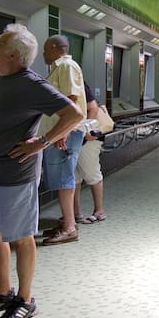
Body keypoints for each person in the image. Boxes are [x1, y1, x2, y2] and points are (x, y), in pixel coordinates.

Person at [0, 24, 82, 318]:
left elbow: (74, 114)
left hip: (14, 176)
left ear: (12, 54)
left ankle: (26, 300)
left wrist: (41, 141)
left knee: (20, 237)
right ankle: (3, 291)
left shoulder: (31, 83)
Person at [38, 35, 87, 246]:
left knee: (65, 176)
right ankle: (67, 222)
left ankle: (69, 227)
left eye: (44, 50)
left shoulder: (67, 66)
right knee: (61, 178)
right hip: (61, 131)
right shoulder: (58, 68)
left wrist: (62, 133)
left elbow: (72, 99)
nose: (42, 54)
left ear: (54, 47)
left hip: (65, 132)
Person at [73, 82, 106, 225]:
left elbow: (93, 107)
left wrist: (86, 130)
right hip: (75, 137)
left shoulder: (79, 84)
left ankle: (99, 211)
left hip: (89, 138)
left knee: (91, 173)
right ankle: (75, 213)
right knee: (75, 176)